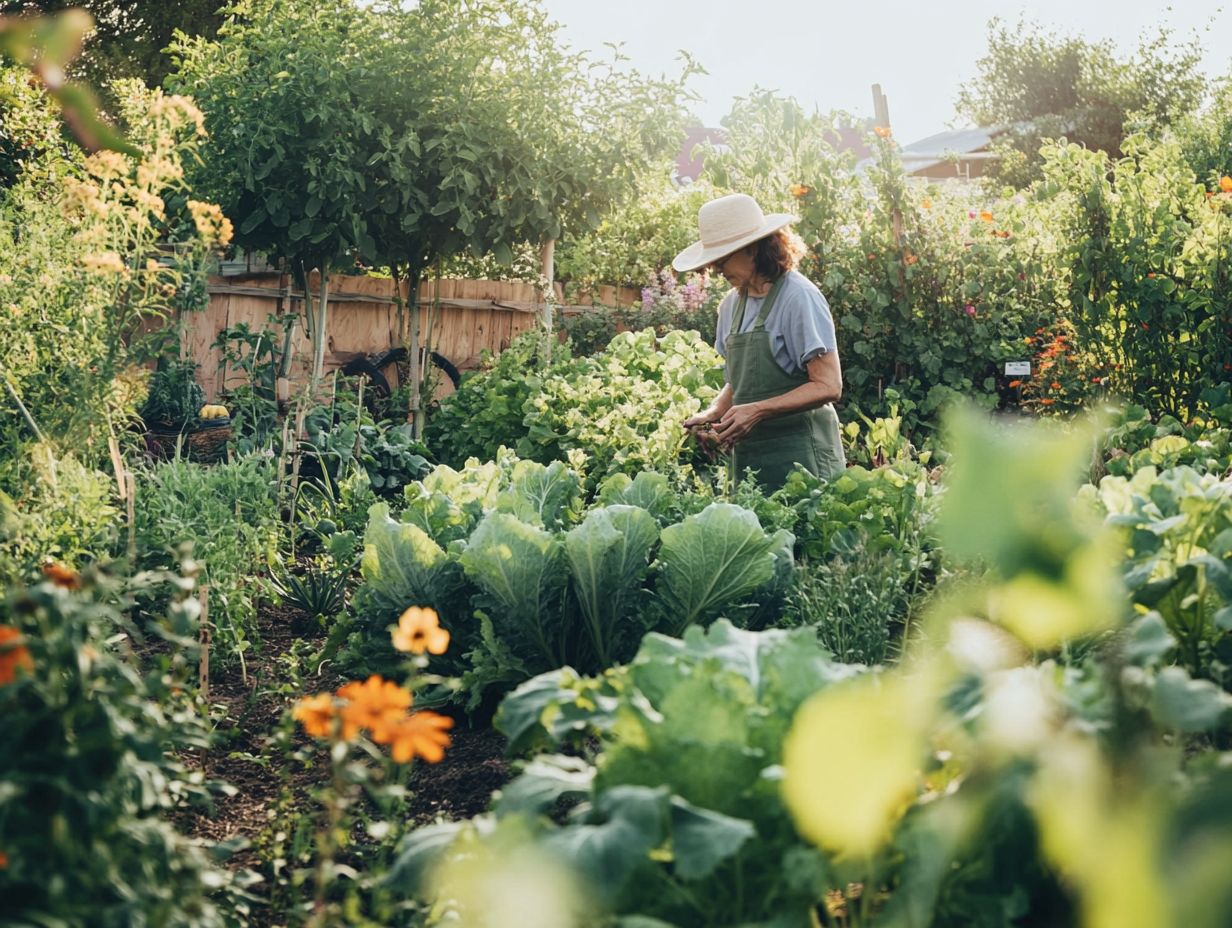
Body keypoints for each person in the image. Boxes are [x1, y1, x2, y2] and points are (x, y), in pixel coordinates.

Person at [676, 193, 845, 489]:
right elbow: (740, 382)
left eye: (721, 259)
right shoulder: (731, 305)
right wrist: (715, 413)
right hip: (751, 461)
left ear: (753, 249)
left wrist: (756, 410)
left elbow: (829, 385)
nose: (716, 270)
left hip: (803, 458)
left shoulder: (798, 297)